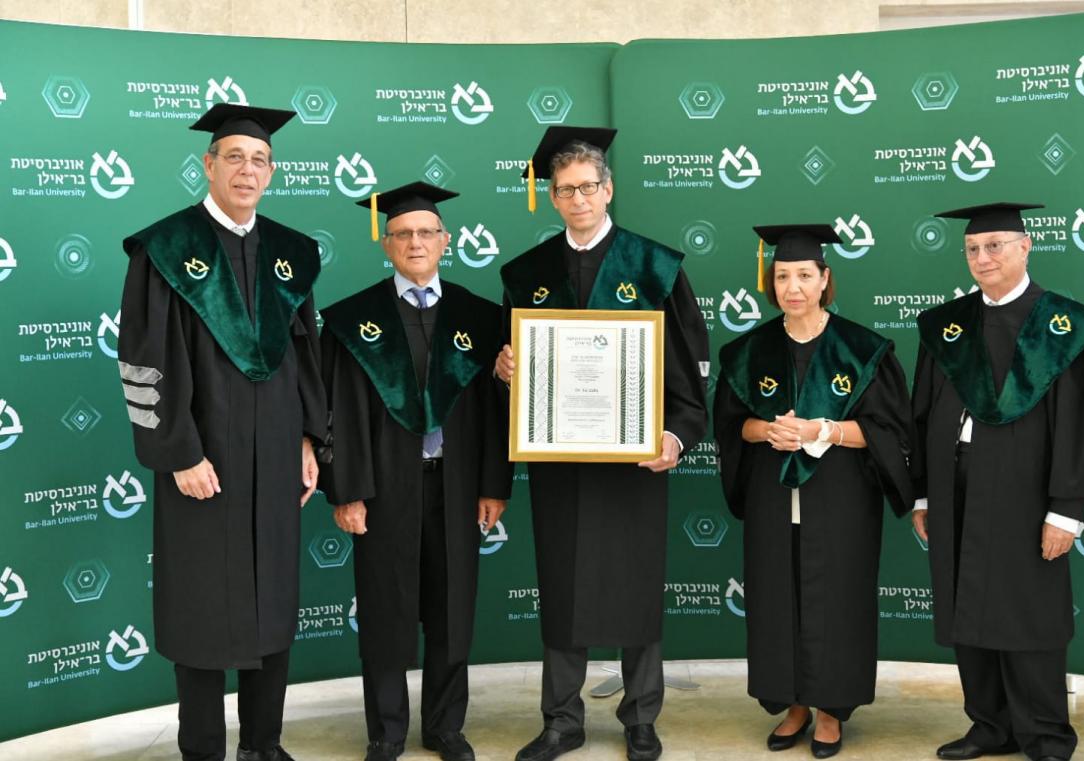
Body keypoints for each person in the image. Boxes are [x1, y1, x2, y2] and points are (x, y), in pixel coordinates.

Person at [117, 103, 325, 761]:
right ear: (207, 165)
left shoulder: (292, 253)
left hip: (276, 455)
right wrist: (179, 452)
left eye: (259, 159)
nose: (247, 169)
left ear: (272, 171)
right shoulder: (166, 249)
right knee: (202, 610)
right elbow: (145, 359)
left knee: (273, 604)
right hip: (202, 461)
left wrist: (307, 439)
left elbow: (305, 354)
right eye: (234, 156)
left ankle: (264, 744)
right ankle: (203, 748)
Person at [493, 127, 709, 761]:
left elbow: (690, 370)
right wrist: (504, 371)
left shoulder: (656, 266)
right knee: (562, 587)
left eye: (588, 186)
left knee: (635, 585)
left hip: (635, 461)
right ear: (552, 198)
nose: (578, 199)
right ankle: (561, 720)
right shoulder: (526, 273)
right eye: (565, 190)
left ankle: (640, 716)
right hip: (559, 462)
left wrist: (676, 436)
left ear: (608, 189)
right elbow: (513, 370)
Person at [910, 203, 1084, 761]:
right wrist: (923, 493)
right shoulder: (946, 326)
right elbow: (922, 414)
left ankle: (1045, 734)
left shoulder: (1066, 328)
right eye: (973, 249)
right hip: (956, 484)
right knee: (966, 603)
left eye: (995, 245)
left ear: (1026, 247)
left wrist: (1066, 510)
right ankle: (989, 725)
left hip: (1030, 493)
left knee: (1028, 611)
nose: (983, 258)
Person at [319, 183, 511, 761]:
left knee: (452, 609)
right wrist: (347, 490)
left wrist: (493, 484)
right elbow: (337, 413)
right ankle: (386, 731)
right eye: (402, 234)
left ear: (445, 240)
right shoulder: (353, 320)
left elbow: (495, 411)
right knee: (384, 608)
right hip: (382, 488)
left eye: (427, 232)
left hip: (457, 484)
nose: (415, 242)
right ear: (387, 244)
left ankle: (445, 727)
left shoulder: (482, 317)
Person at [713, 224, 914, 759]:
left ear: (825, 279)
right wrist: (767, 430)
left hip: (843, 500)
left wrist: (825, 430)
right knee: (776, 599)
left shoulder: (863, 350)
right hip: (772, 499)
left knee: (839, 601)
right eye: (782, 276)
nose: (793, 287)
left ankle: (830, 711)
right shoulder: (748, 351)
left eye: (804, 275)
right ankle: (794, 704)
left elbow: (890, 433)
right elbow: (731, 427)